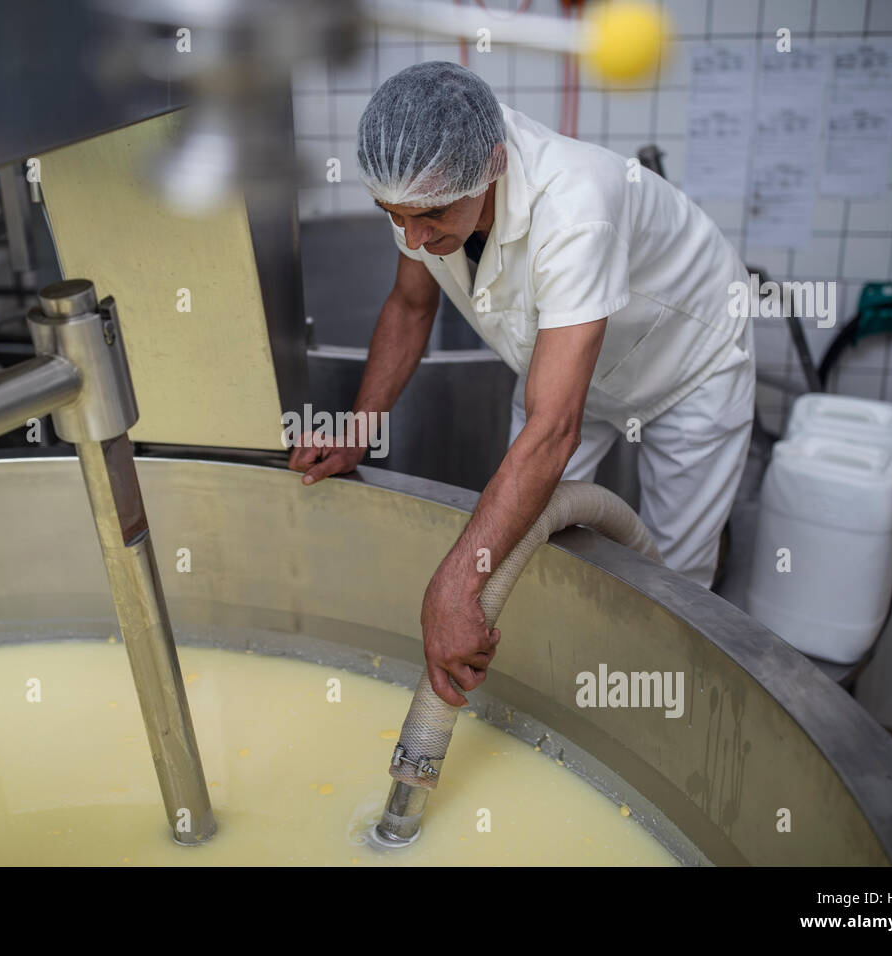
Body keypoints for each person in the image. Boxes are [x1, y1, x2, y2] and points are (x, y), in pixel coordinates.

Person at [287, 61, 755, 707]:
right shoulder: (425, 177)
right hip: (564, 369)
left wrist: (449, 586)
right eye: (393, 215)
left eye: (429, 217)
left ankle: (656, 720)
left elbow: (552, 430)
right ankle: (547, 701)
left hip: (688, 365)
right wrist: (360, 429)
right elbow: (409, 305)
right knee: (515, 549)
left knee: (673, 585)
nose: (413, 237)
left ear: (495, 166)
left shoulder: (575, 208)